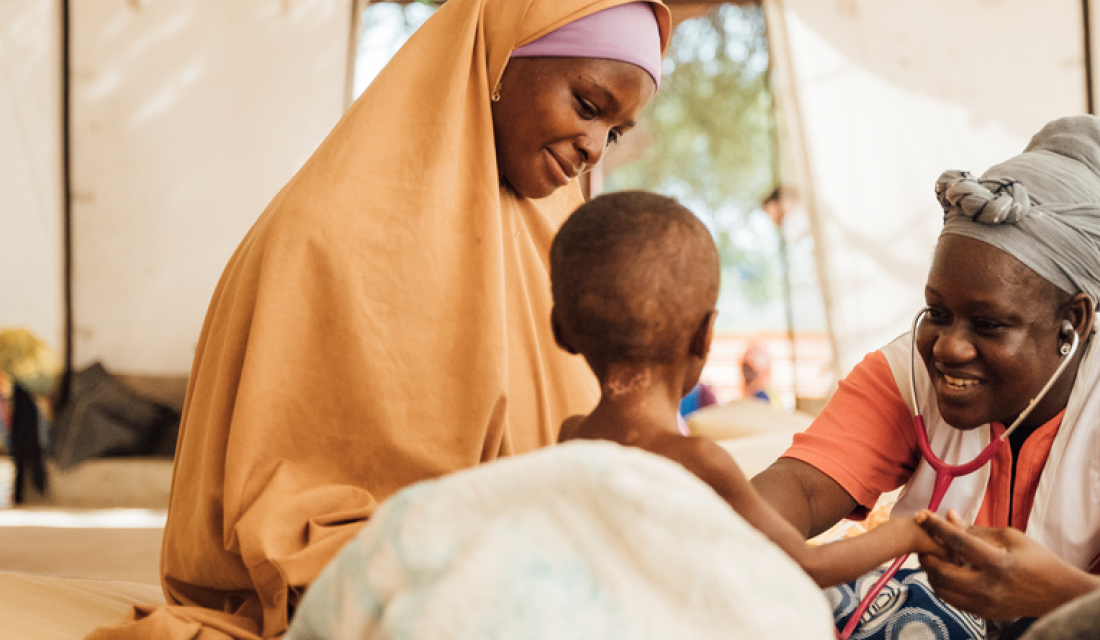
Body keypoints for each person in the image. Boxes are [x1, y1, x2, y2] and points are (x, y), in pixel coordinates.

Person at [87, 2, 672, 639]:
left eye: (613, 132)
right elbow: (290, 513)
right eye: (587, 106)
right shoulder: (324, 232)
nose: (593, 147)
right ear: (501, 59)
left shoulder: (549, 241)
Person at [750, 115, 1100, 637]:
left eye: (988, 325)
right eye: (937, 313)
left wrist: (1054, 595)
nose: (949, 347)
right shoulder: (905, 374)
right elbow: (799, 490)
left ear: (1073, 320)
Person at [552, 191, 939, 588]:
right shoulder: (700, 460)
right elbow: (805, 564)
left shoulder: (570, 436)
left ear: (560, 331)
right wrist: (907, 533)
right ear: (704, 337)